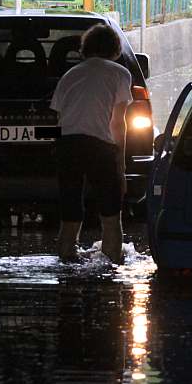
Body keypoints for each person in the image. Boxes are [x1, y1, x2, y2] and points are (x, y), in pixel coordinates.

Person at [50, 24, 133, 264]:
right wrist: (121, 167)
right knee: (110, 217)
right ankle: (112, 269)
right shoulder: (119, 73)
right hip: (100, 147)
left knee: (70, 216)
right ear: (115, 48)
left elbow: (59, 120)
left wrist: (58, 152)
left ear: (86, 47)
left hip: (68, 147)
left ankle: (66, 263)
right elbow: (119, 124)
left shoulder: (70, 75)